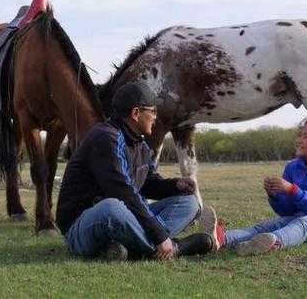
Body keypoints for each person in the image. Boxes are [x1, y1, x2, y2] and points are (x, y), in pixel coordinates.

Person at [56, 81, 215, 260]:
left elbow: (146, 183)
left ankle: (129, 246)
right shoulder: (106, 138)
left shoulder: (140, 144)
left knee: (189, 203)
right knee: (112, 207)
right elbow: (122, 191)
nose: (156, 116)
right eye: (153, 111)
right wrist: (160, 235)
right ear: (136, 113)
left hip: (122, 219)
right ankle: (175, 247)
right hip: (82, 225)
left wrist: (175, 185)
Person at [201, 117, 307, 255]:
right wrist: (274, 195)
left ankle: (273, 242)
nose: (299, 140)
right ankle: (221, 238)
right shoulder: (293, 167)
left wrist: (292, 190)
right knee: (266, 226)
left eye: (306, 136)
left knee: (305, 224)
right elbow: (286, 211)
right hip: (301, 216)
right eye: (299, 135)